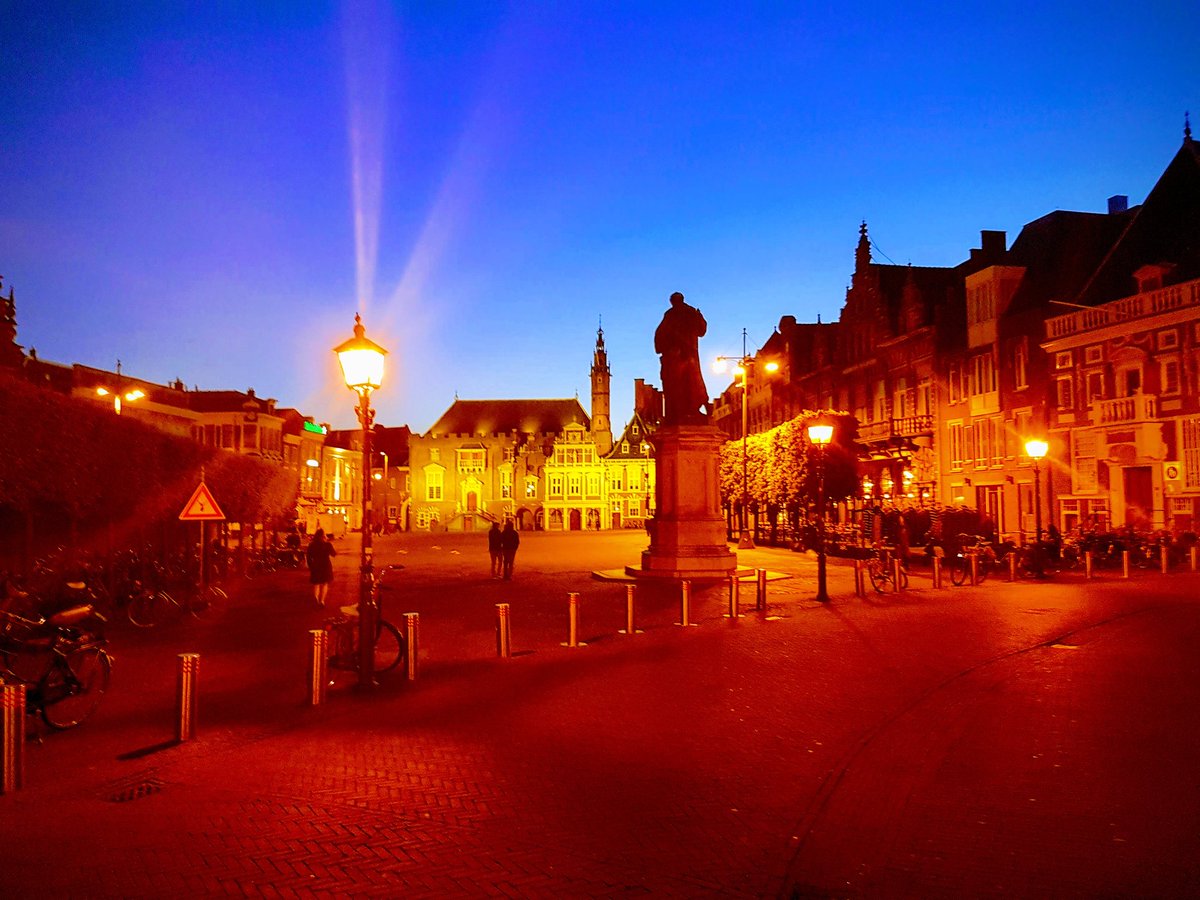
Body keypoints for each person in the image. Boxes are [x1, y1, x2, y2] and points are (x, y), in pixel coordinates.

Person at [654, 291, 709, 425]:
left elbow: (660, 335)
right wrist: (700, 317)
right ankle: (691, 409)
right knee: (691, 382)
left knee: (677, 384)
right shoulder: (691, 312)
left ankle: (679, 412)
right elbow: (702, 331)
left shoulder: (671, 315)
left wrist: (663, 348)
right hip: (689, 355)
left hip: (676, 356)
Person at [305, 528, 336, 608]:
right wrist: (329, 544)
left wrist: (311, 566)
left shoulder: (312, 544)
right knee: (325, 583)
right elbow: (334, 554)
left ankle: (316, 597)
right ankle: (322, 601)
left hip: (316, 565)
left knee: (317, 584)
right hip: (326, 566)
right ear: (323, 536)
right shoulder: (327, 544)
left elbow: (308, 556)